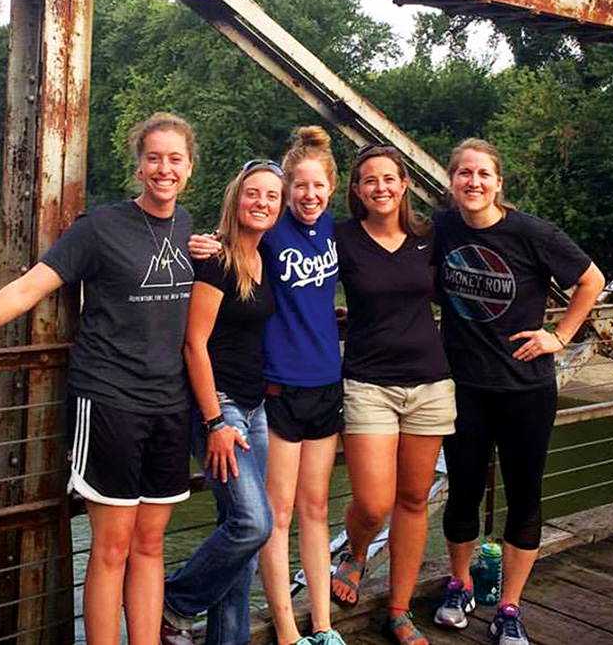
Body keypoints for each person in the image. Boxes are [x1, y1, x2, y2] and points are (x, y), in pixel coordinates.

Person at [0, 112, 200, 645]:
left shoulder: (187, 228)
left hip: (169, 402)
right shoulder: (98, 229)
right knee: (112, 547)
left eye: (175, 159)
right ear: (138, 166)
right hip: (110, 401)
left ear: (190, 167)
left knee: (151, 546)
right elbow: (25, 292)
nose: (165, 168)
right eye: (154, 158)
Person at [432, 138, 605, 645]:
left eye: (483, 174)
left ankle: (509, 606)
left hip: (525, 389)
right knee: (462, 492)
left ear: (499, 182)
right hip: (463, 386)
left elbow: (592, 279)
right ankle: (459, 585)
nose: (473, 182)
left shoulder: (532, 232)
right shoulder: (441, 229)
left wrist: (561, 336)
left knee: (525, 496)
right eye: (464, 173)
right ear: (451, 181)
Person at [189, 126, 347, 645]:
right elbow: (228, 241)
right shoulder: (268, 232)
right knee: (265, 519)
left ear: (332, 187)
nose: (308, 195)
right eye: (296, 186)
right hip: (273, 390)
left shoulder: (333, 231)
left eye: (317, 186)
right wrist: (198, 243)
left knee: (316, 510)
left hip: (326, 385)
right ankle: (285, 632)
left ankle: (321, 628)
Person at [330, 144, 455, 645]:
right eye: (369, 180)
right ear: (357, 191)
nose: (380, 187)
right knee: (374, 501)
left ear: (404, 184)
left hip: (430, 381)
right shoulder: (341, 238)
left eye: (389, 178)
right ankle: (354, 552)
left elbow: (484, 257)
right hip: (368, 382)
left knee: (412, 499)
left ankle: (400, 610)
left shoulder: (430, 238)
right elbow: (284, 264)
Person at [161, 159, 284, 645]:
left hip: (255, 408)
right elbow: (195, 344)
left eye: (271, 196)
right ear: (236, 199)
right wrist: (214, 420)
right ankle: (173, 603)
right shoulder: (215, 260)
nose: (262, 203)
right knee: (254, 523)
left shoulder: (264, 256)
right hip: (222, 407)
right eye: (253, 193)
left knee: (243, 539)